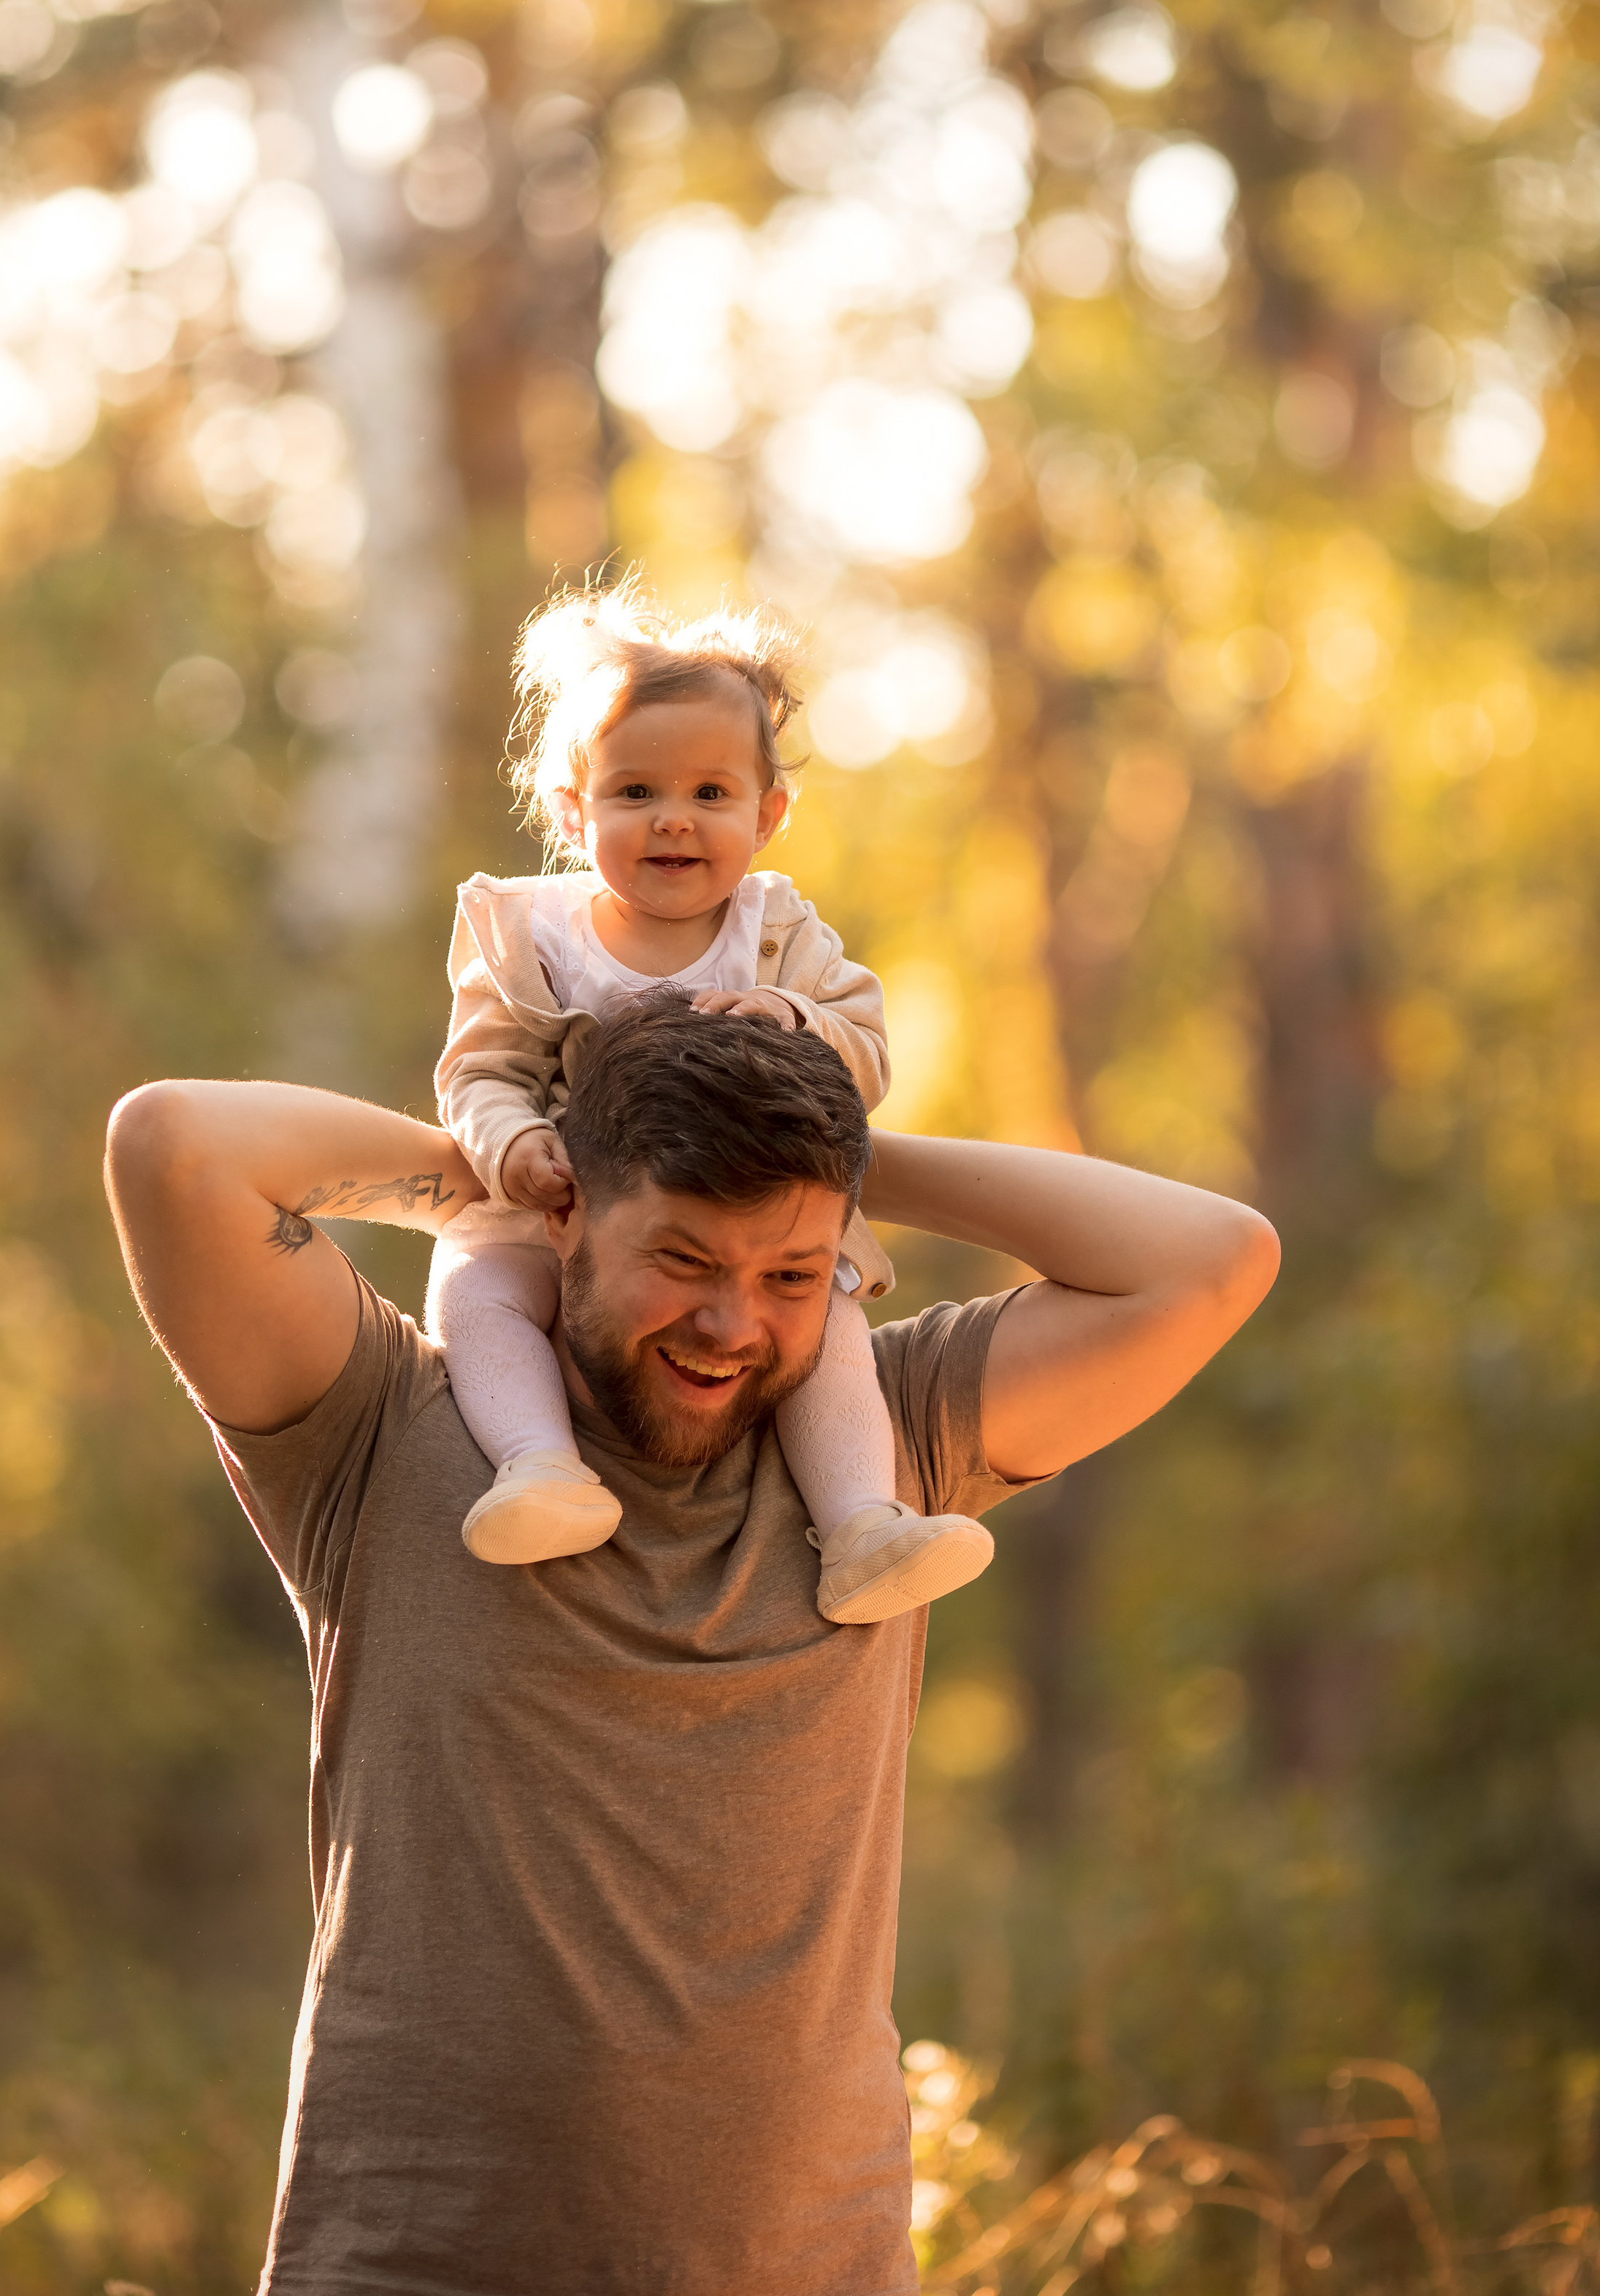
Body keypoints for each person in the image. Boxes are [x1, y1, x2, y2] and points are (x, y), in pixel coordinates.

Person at [104, 996, 1279, 2296]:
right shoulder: (383, 1430)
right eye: (683, 1256)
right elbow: (174, 1148)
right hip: (409, 2266)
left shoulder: (885, 1453)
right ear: (568, 1216)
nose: (732, 1325)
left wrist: (841, 1162)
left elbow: (1215, 1259)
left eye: (791, 1276)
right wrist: (522, 1156)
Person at [429, 580, 991, 1624]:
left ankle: (862, 1524)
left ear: (768, 815)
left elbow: (867, 1052)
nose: (673, 819)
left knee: (830, 1324)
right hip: (558, 1198)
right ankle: (539, 1465)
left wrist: (793, 1015)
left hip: (746, 1219)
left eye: (711, 793)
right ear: (572, 809)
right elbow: (479, 1070)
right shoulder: (532, 936)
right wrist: (511, 1143)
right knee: (477, 1291)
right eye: (635, 792)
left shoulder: (780, 937)